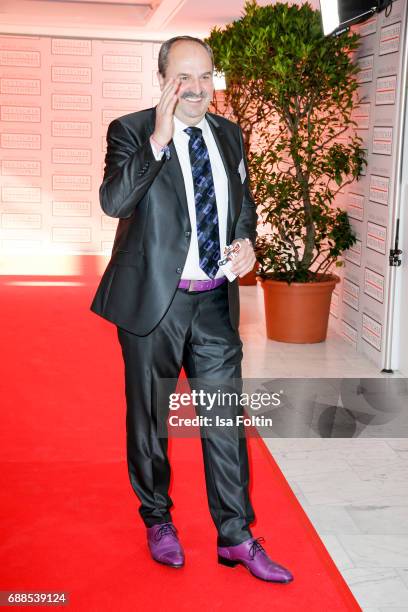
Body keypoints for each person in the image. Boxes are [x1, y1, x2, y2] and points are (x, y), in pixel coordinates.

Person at [90, 35, 293, 584]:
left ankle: (236, 536)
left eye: (206, 76)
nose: (198, 88)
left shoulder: (229, 134)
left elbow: (241, 205)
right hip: (154, 303)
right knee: (150, 422)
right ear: (164, 80)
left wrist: (248, 241)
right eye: (185, 77)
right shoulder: (130, 130)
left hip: (214, 305)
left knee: (225, 422)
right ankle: (157, 520)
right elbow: (115, 201)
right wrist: (157, 141)